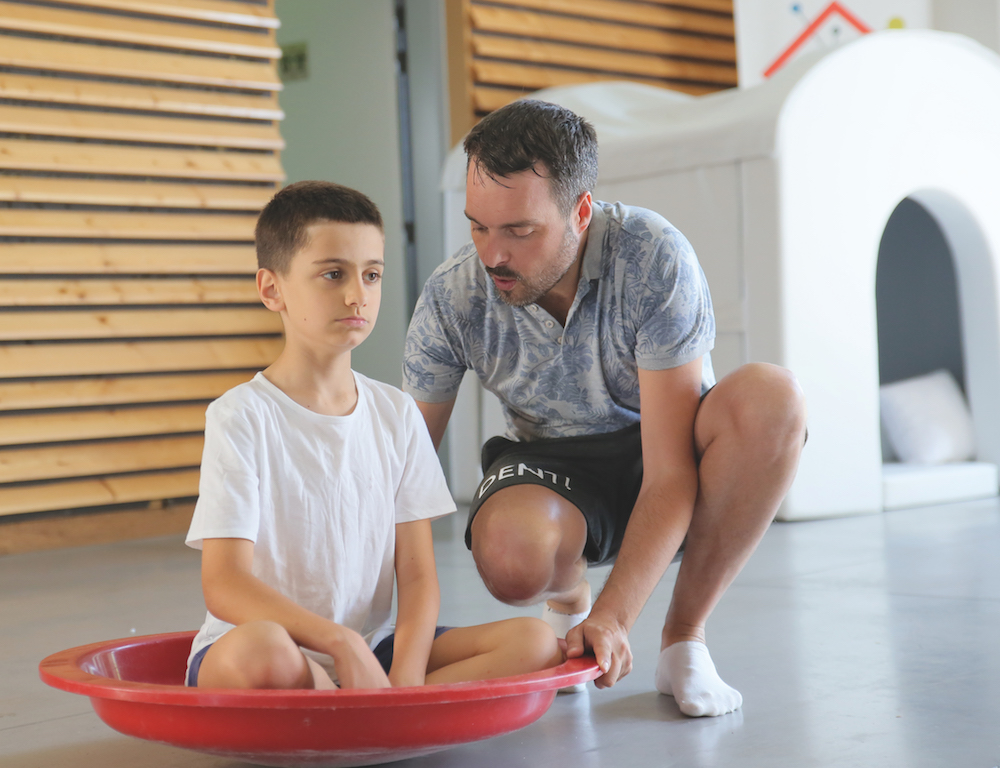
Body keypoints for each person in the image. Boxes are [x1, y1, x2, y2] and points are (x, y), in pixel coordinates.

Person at [403, 100, 807, 716]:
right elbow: (400, 472)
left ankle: (685, 641)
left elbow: (670, 473)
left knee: (773, 399)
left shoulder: (653, 257)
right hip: (553, 464)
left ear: (581, 211)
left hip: (663, 449)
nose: (493, 255)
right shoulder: (454, 295)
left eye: (520, 230)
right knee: (513, 555)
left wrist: (618, 619)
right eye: (479, 227)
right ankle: (569, 600)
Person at [184, 180, 561, 690]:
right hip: (269, 649)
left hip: (375, 650)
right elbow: (225, 584)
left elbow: (419, 575)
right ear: (272, 289)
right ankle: (361, 710)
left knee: (534, 643)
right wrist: (340, 643)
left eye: (372, 275)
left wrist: (403, 675)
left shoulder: (397, 414)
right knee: (263, 653)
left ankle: (373, 711)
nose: (356, 294)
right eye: (333, 274)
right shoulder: (241, 416)